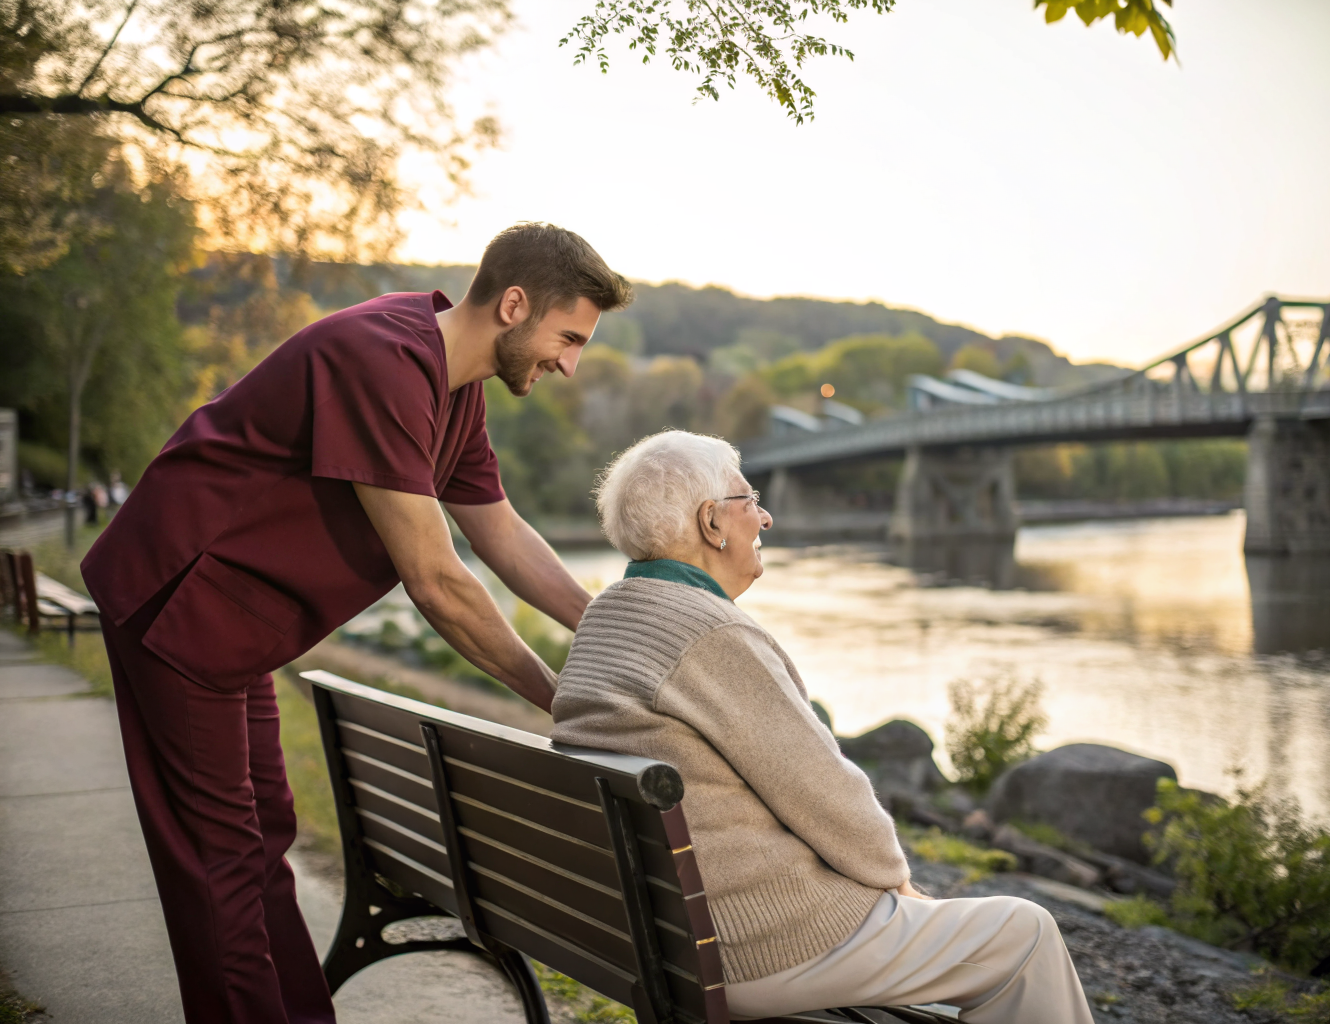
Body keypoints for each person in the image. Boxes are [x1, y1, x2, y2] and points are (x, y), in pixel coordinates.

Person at [80, 223, 632, 1024]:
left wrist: (612, 628)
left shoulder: (455, 390)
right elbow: (439, 581)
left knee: (260, 841)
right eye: (568, 336)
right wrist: (559, 700)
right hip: (176, 607)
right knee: (218, 865)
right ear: (514, 305)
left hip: (236, 630)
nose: (570, 363)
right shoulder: (383, 359)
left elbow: (501, 534)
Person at [551, 430, 1095, 1024]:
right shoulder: (710, 634)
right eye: (749, 499)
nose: (765, 516)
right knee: (1024, 933)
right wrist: (899, 884)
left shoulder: (605, 618)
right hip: (754, 944)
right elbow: (823, 791)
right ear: (712, 523)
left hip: (651, 933)